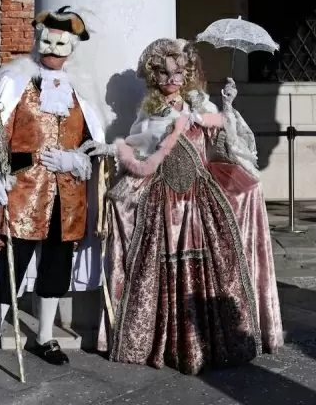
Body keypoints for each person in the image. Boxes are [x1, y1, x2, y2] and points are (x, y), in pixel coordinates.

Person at [99, 38, 283, 374]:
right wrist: (110, 152)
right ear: (156, 78)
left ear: (187, 75)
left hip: (201, 201)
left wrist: (227, 106)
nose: (172, 81)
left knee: (210, 266)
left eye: (178, 74)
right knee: (163, 269)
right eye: (165, 75)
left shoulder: (202, 109)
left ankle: (209, 343)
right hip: (163, 202)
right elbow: (139, 152)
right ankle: (169, 344)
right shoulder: (149, 115)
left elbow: (228, 144)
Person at [0, 6, 107, 383]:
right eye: (48, 41)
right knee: (8, 274)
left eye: (62, 43)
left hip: (66, 196)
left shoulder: (81, 90)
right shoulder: (13, 80)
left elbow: (92, 142)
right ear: (38, 41)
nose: (54, 48)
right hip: (21, 194)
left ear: (72, 48)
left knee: (56, 270)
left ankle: (43, 337)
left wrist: (77, 158)